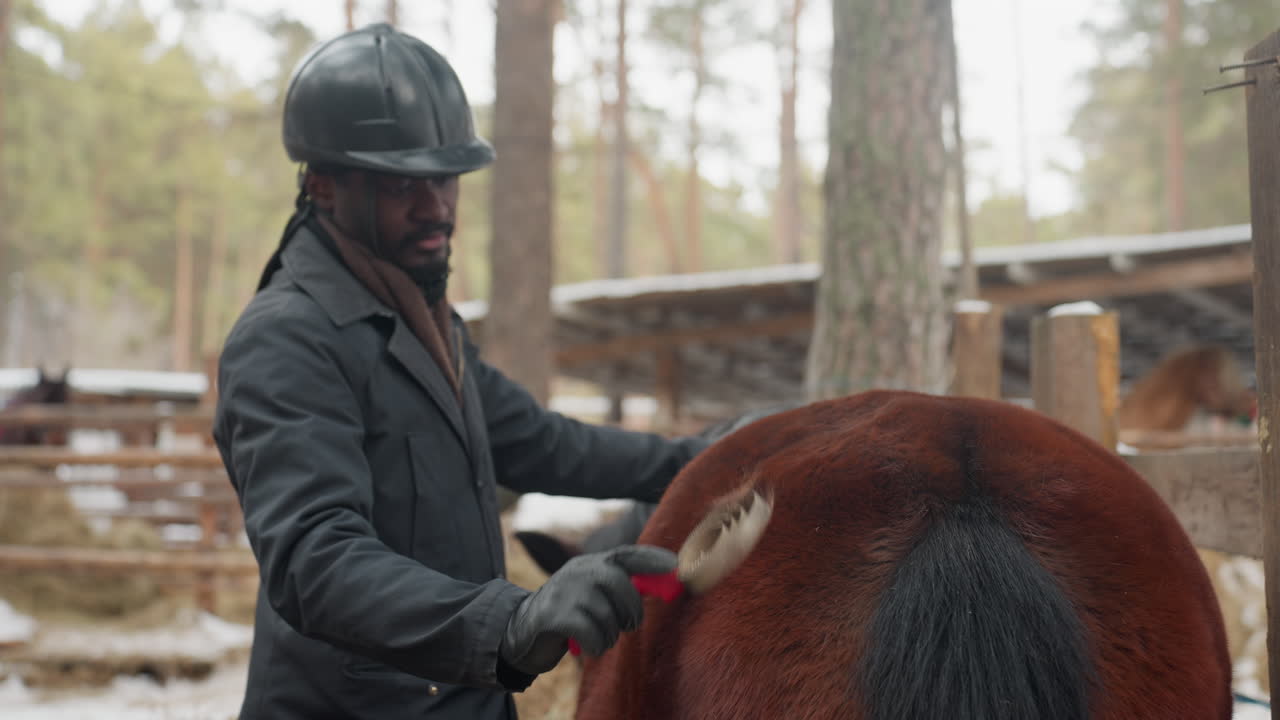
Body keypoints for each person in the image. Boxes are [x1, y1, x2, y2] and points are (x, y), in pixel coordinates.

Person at [212, 23, 707, 720]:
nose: (436, 207)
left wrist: (705, 458)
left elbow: (543, 443)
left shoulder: (422, 317)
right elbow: (314, 560)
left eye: (445, 178)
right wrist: (510, 623)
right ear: (323, 185)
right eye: (402, 184)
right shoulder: (286, 340)